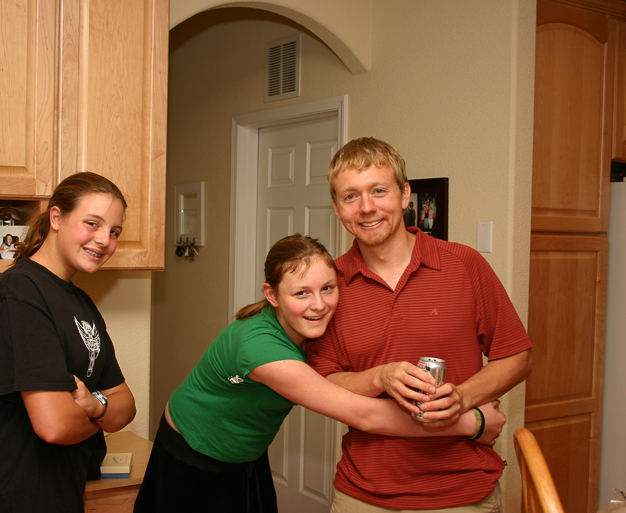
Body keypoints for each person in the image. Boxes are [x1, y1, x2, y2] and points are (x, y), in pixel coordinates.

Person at [133, 234, 506, 513]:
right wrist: (471, 423)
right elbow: (363, 414)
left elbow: (344, 374)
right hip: (193, 455)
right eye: (301, 294)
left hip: (246, 454)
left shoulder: (313, 327)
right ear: (272, 294)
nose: (318, 305)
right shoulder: (260, 347)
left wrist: (380, 374)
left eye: (327, 288)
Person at [307, 137, 534, 512]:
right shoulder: (330, 286)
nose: (367, 208)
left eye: (379, 191)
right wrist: (379, 376)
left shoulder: (464, 265)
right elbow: (323, 382)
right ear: (336, 207)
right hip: (362, 496)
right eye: (350, 197)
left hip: (463, 493)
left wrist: (464, 398)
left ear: (404, 195)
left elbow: (517, 357)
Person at [0, 172, 137, 513]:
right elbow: (55, 425)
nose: (104, 240)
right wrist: (101, 418)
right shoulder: (21, 292)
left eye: (114, 231)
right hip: (5, 489)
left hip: (59, 486)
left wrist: (94, 407)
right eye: (92, 223)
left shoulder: (81, 303)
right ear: (56, 218)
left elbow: (125, 403)